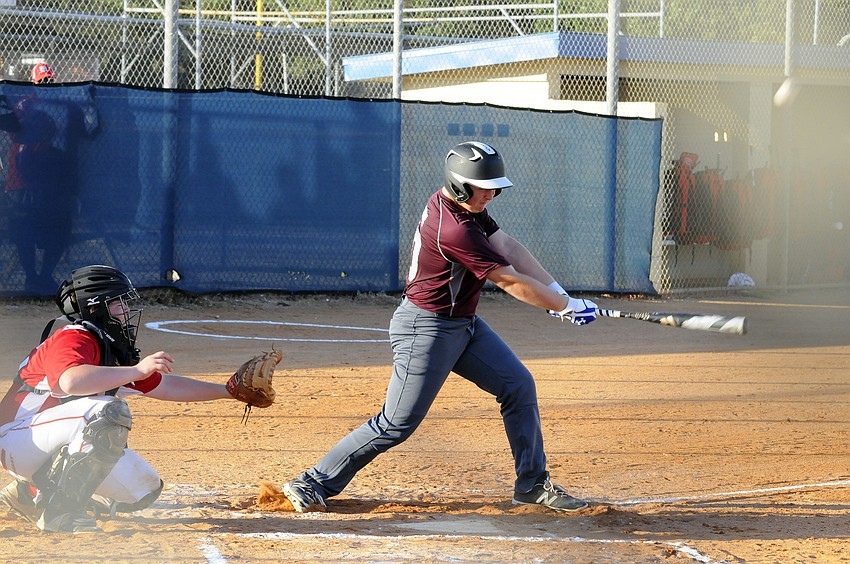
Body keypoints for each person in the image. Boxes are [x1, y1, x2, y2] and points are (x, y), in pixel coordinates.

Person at [280, 141, 598, 514]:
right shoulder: (455, 229)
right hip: (425, 330)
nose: (492, 194)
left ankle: (531, 485)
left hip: (463, 325)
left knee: (517, 385)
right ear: (461, 186)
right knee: (396, 423)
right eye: (485, 187)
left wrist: (561, 295)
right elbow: (509, 280)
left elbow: (510, 248)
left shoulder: (465, 207)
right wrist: (564, 307)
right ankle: (312, 481)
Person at [0, 264, 252, 533]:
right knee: (107, 412)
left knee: (143, 489)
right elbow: (70, 380)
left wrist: (228, 391)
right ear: (94, 307)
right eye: (117, 302)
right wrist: (137, 369)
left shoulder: (105, 344)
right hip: (17, 437)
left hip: (40, 441)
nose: (126, 309)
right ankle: (61, 514)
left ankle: (29, 492)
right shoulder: (74, 337)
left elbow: (166, 387)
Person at [1, 63, 99, 294]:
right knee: (23, 229)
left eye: (49, 81)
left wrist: (91, 106)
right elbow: (12, 131)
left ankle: (44, 275)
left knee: (59, 230)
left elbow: (89, 132)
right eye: (41, 81)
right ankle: (31, 277)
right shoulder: (25, 104)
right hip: (24, 181)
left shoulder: (66, 106)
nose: (46, 85)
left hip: (54, 182)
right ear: (33, 82)